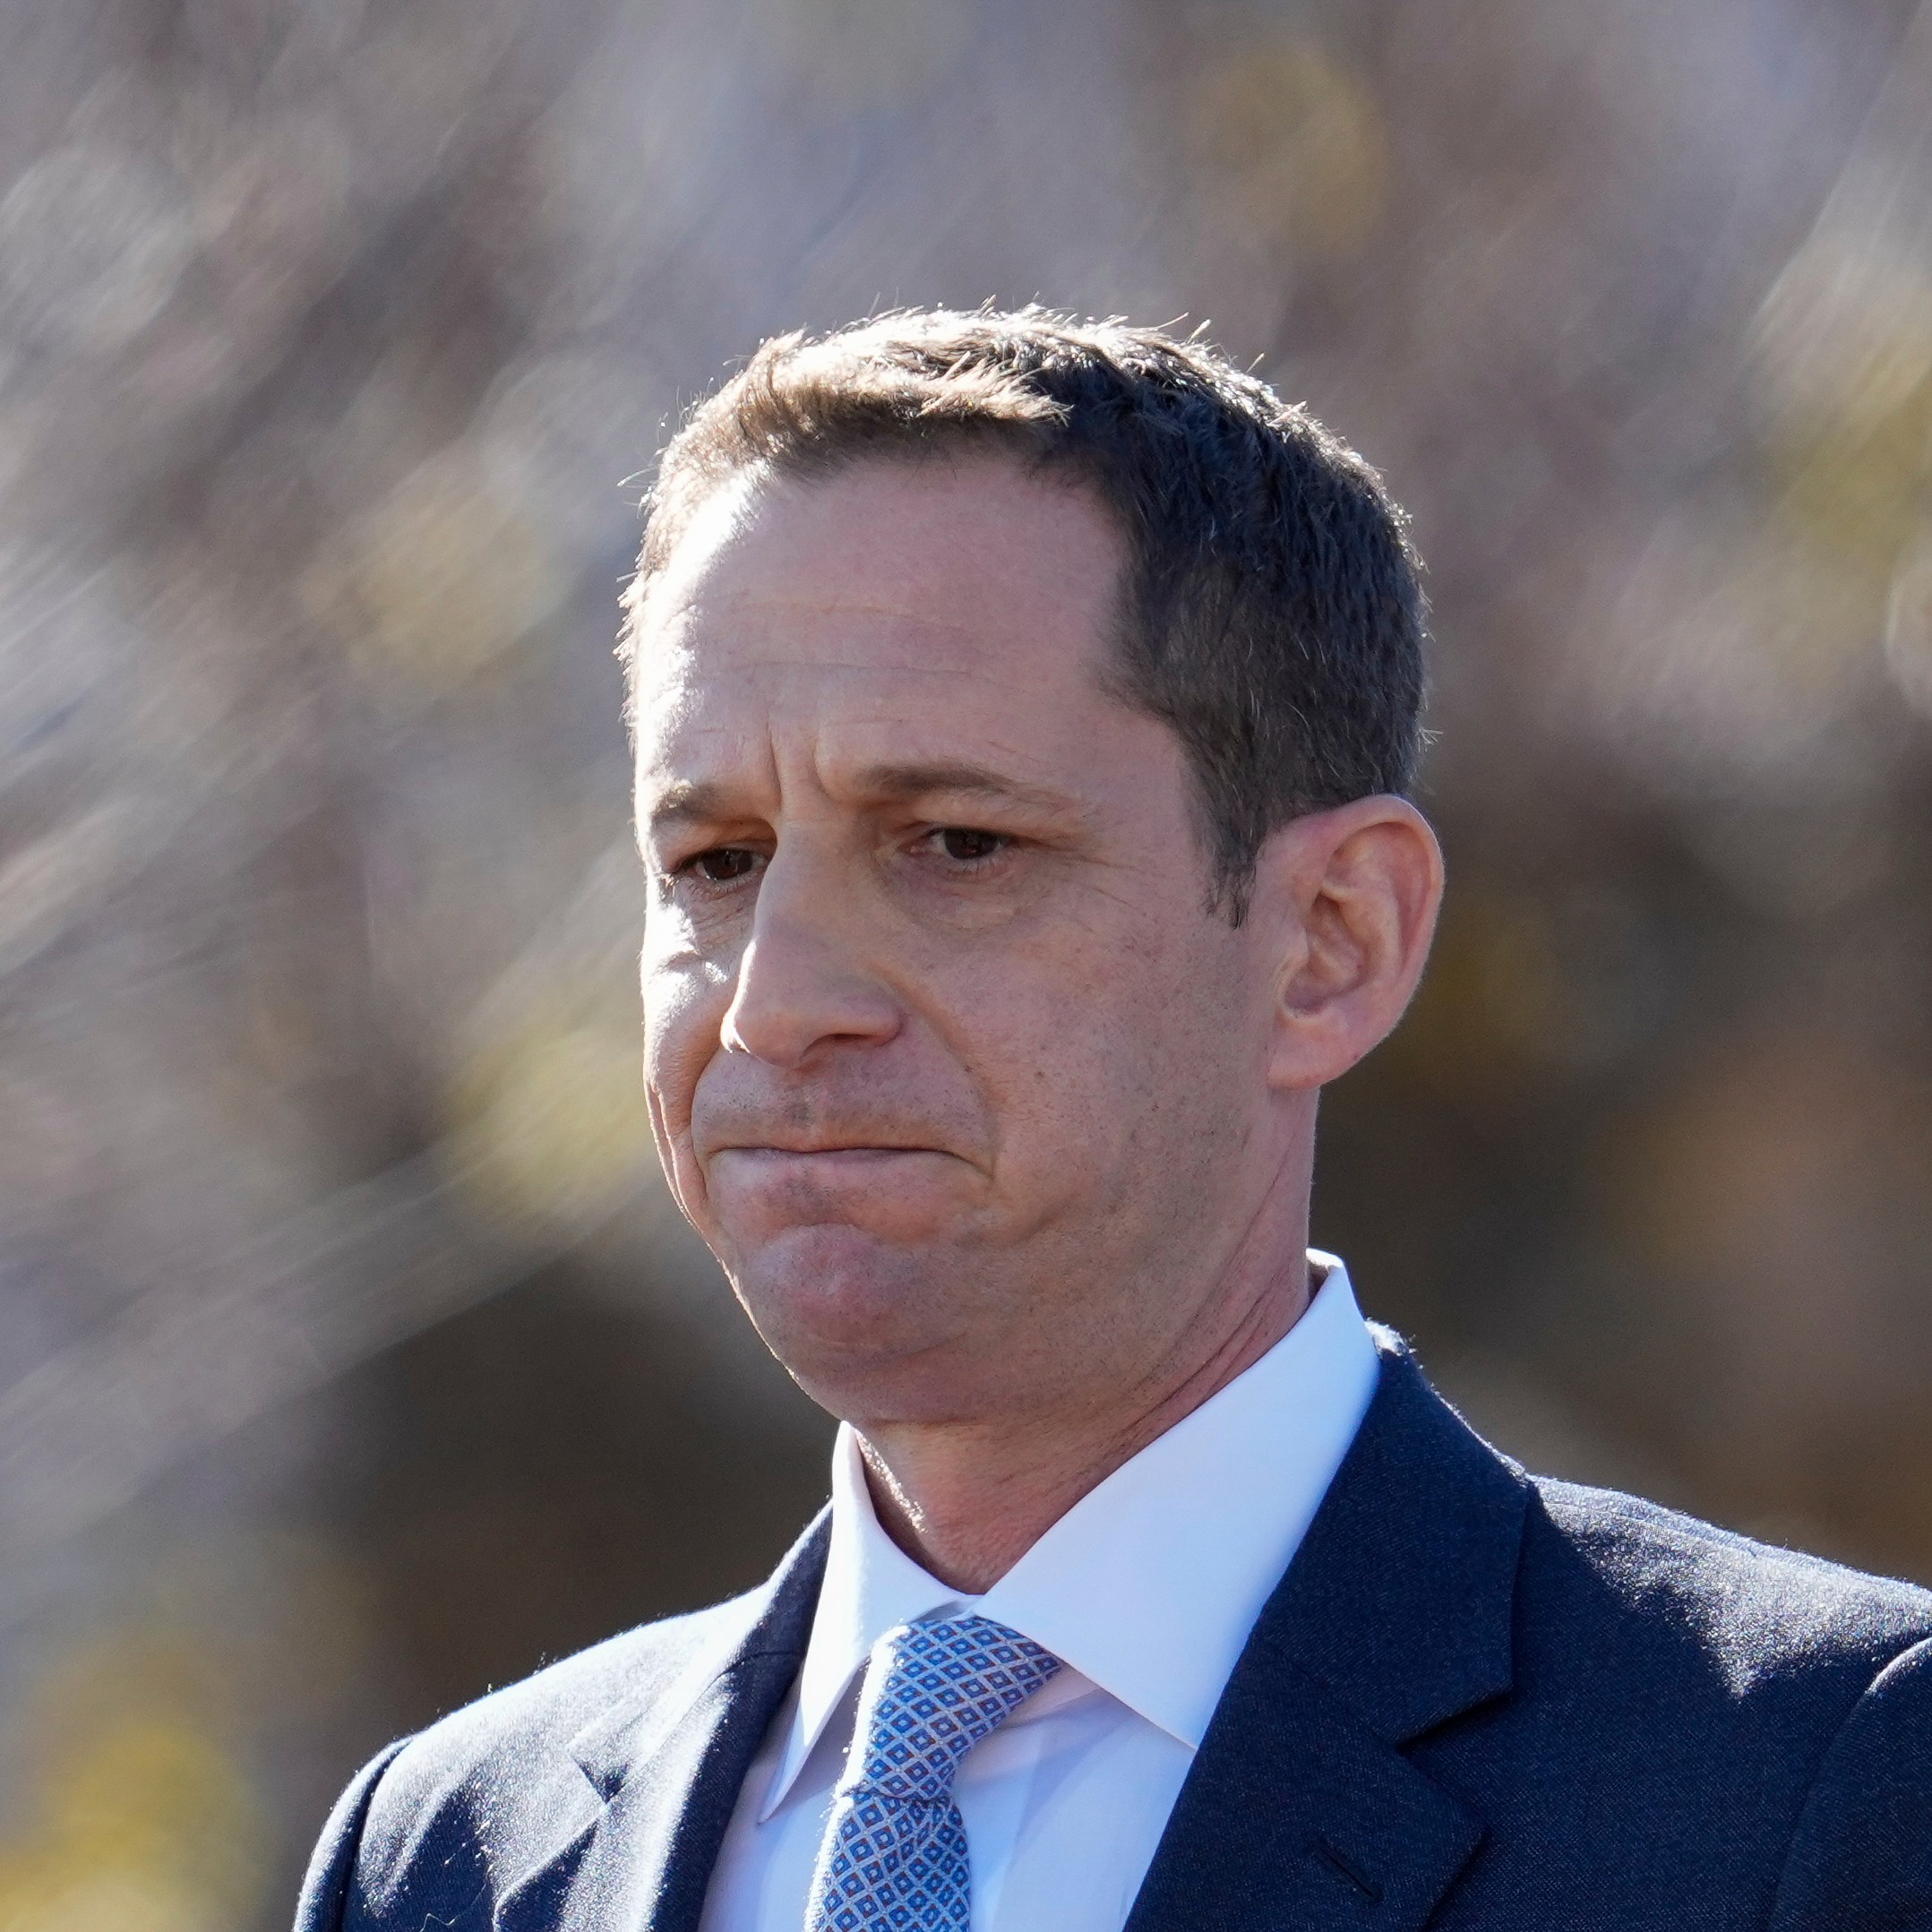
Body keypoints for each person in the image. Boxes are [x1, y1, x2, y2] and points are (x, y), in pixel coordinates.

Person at [296, 311, 1932, 1932]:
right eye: (715, 861)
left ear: (1331, 940)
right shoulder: (446, 1854)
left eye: (952, 843)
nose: (774, 998)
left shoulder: (1820, 1788)